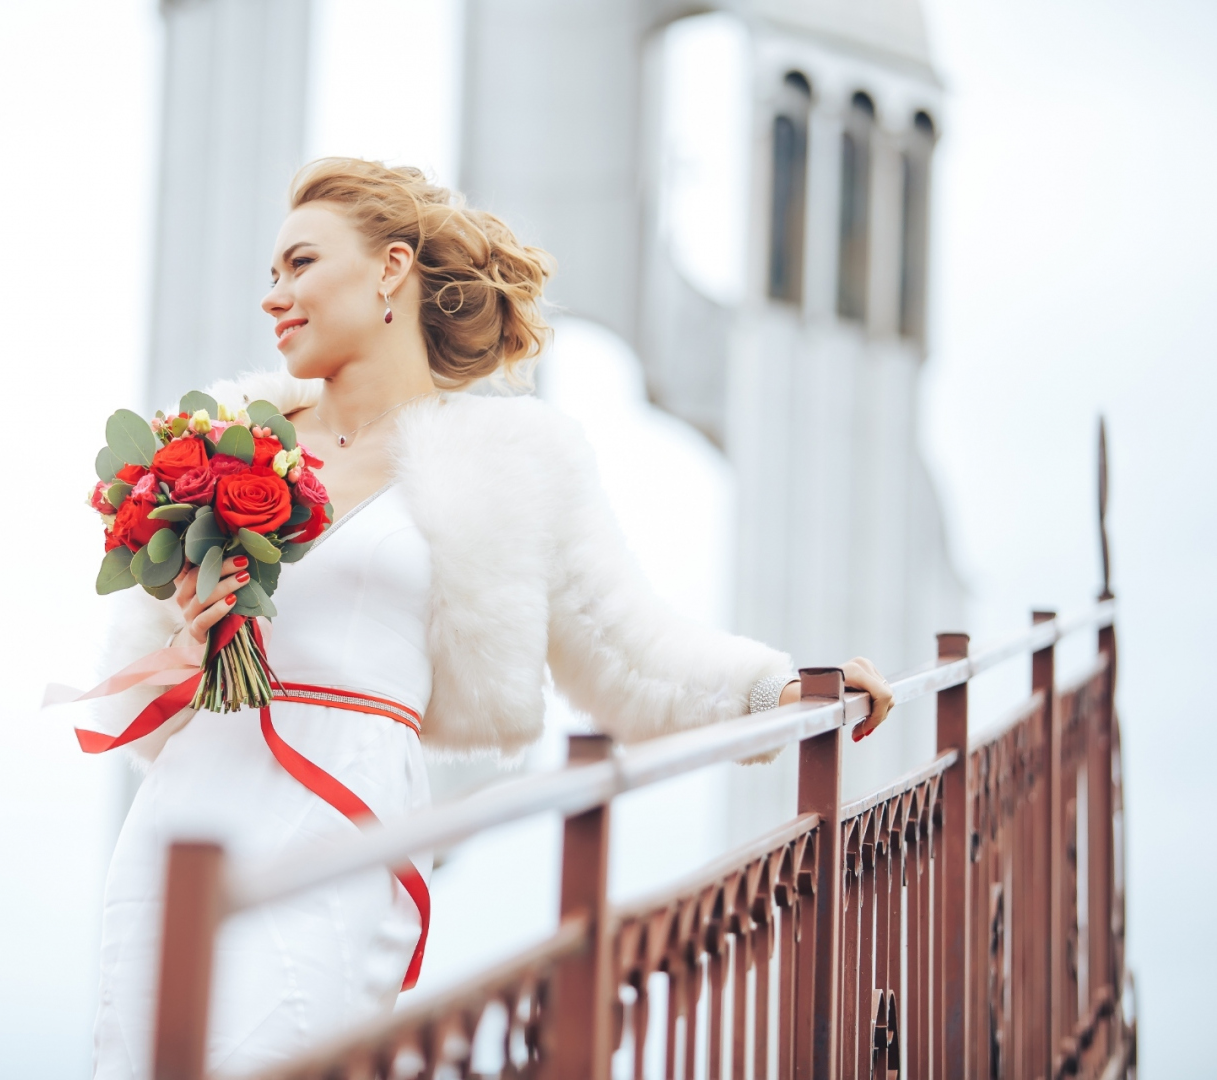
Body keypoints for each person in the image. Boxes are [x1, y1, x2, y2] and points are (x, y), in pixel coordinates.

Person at [89, 158, 893, 1078]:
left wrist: (783, 689)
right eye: (271, 275)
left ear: (391, 269)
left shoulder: (513, 456)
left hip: (346, 824)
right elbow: (141, 682)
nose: (275, 296)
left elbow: (626, 643)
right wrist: (189, 636)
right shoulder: (228, 437)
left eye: (300, 264)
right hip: (184, 824)